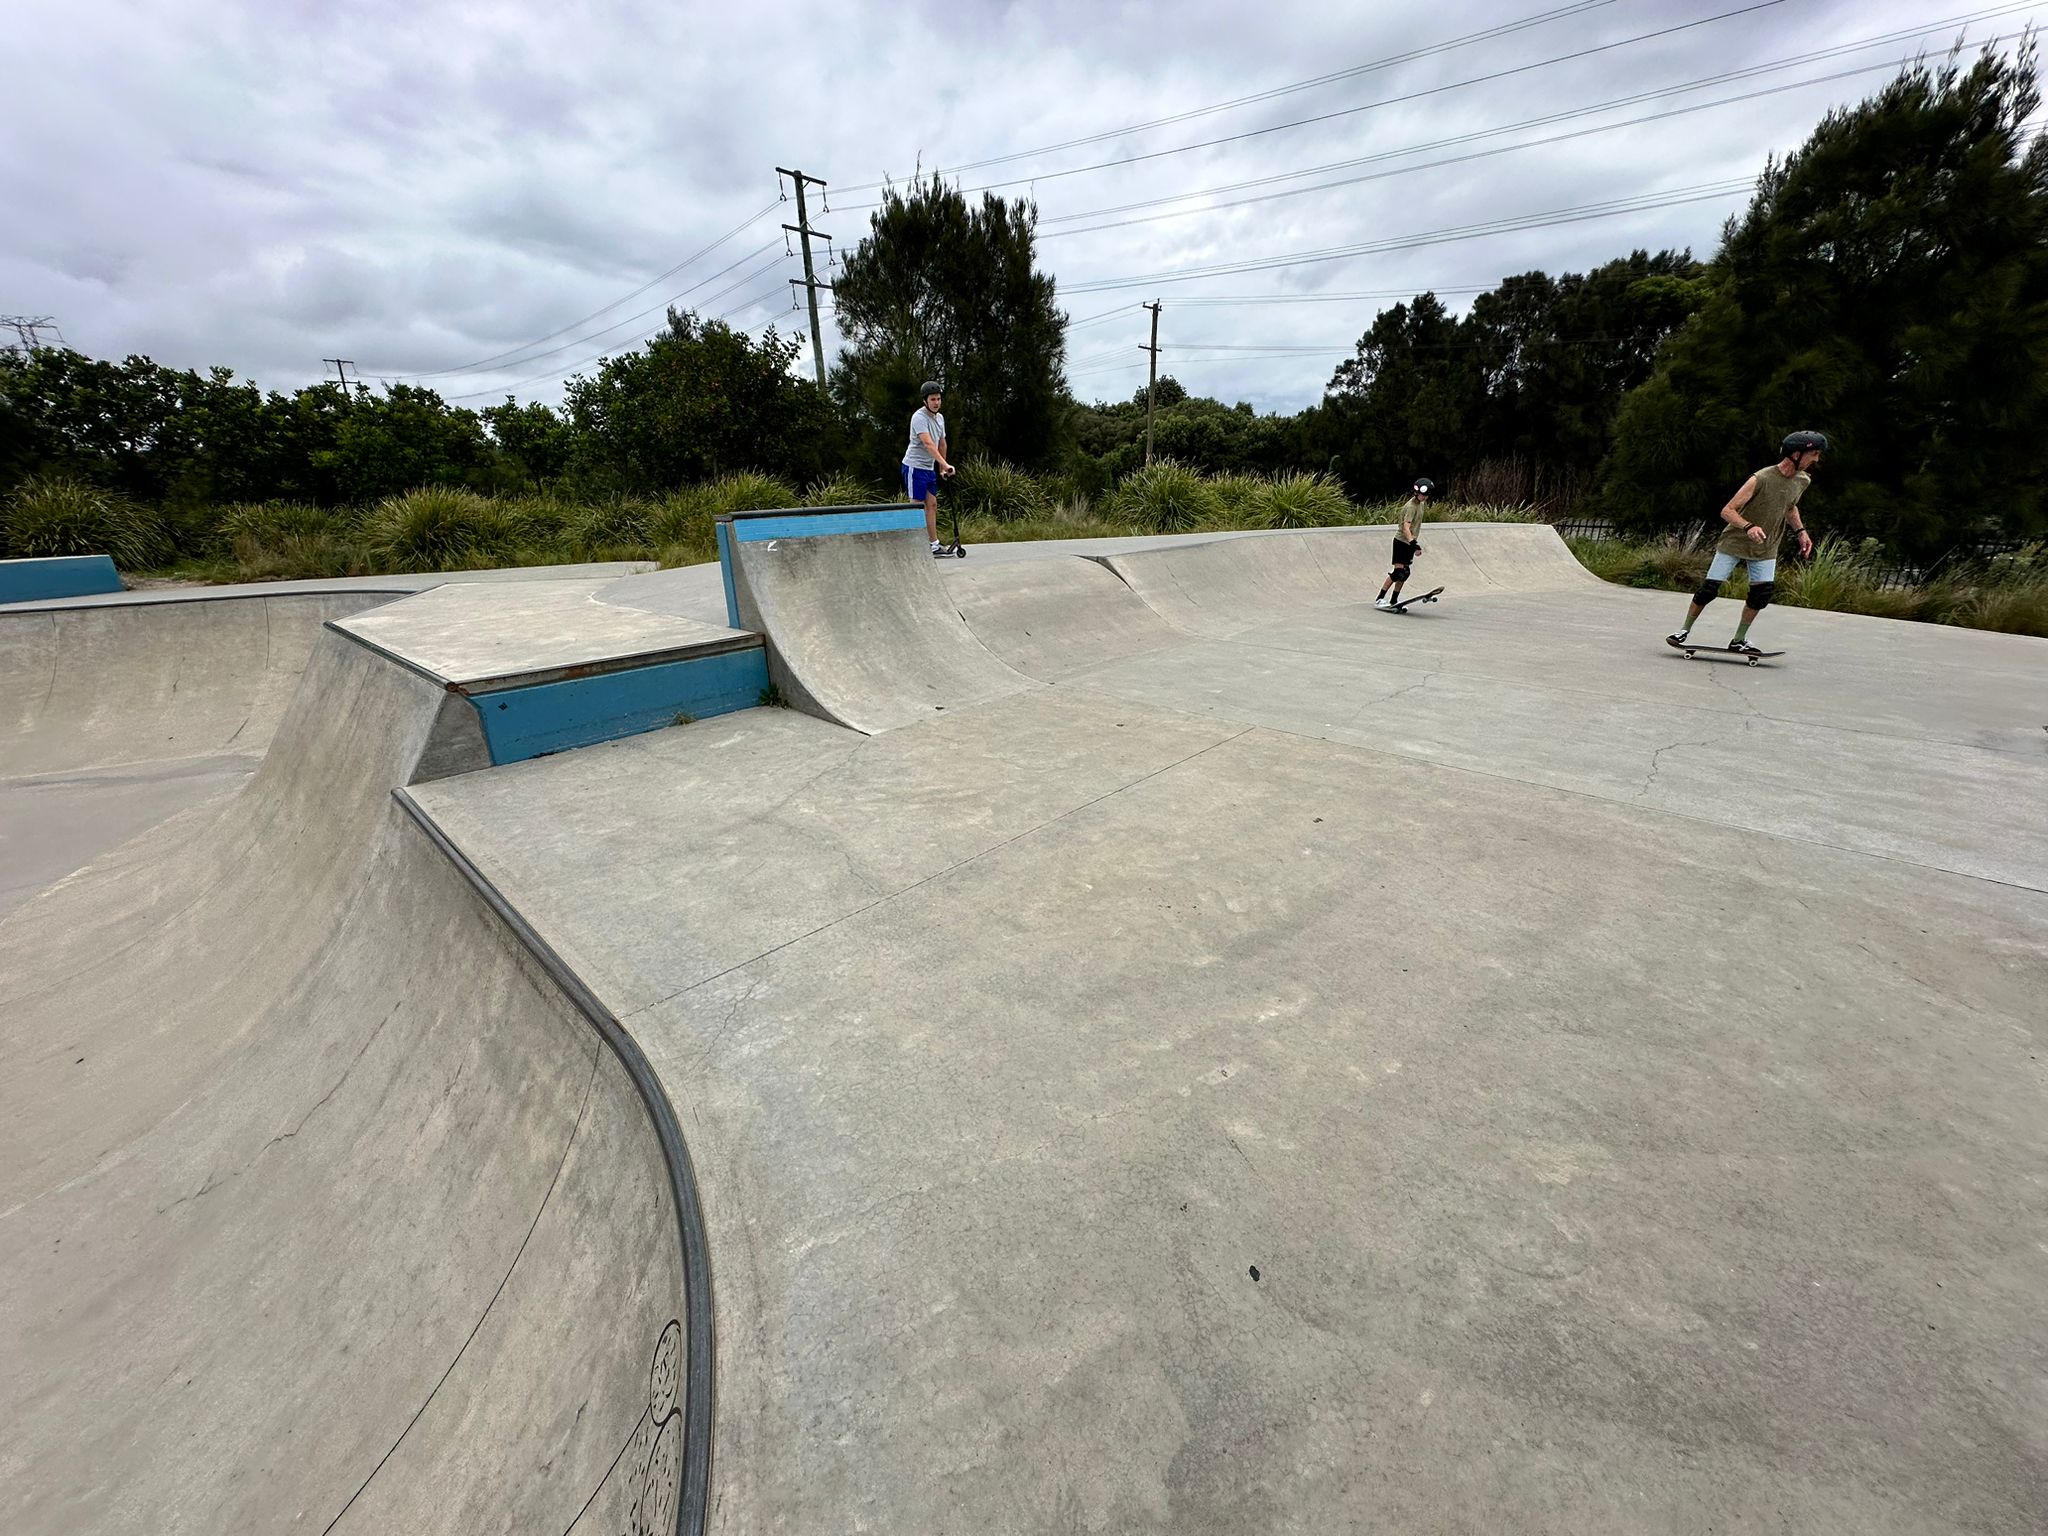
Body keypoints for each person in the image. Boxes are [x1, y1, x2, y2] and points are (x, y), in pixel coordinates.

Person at [1668, 431, 1825, 653]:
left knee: (1761, 595)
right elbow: (1727, 511)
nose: (1816, 459)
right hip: (1735, 541)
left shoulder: (1803, 480)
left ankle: (1739, 640)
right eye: (1814, 454)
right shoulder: (1760, 478)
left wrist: (1800, 531)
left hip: (1767, 545)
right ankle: (1683, 631)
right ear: (1796, 454)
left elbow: (1790, 506)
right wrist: (1749, 526)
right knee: (1709, 590)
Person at [902, 381, 955, 557]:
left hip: (928, 468)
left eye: (939, 399)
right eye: (933, 399)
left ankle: (933, 545)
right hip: (914, 466)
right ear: (925, 401)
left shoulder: (940, 418)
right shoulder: (919, 417)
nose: (936, 403)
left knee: (931, 504)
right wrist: (945, 463)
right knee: (916, 506)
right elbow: (928, 443)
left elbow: (942, 442)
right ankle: (913, 545)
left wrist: (942, 467)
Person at [1375, 478, 1434, 609]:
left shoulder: (1421, 504)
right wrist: (1414, 544)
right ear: (1416, 492)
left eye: (1427, 495)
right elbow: (1405, 528)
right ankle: (1379, 599)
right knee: (1398, 573)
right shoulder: (1411, 507)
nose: (1425, 497)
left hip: (1408, 543)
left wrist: (1412, 544)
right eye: (1423, 494)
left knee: (1405, 573)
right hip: (1401, 542)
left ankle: (1393, 600)